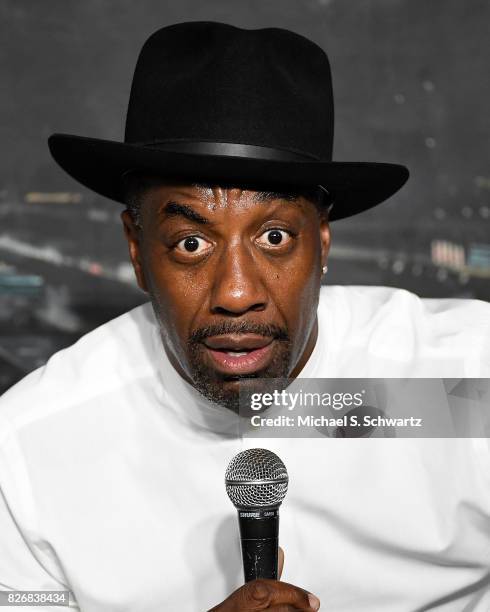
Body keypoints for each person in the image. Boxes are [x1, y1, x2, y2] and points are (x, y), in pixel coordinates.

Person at [0, 21, 489, 612]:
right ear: (135, 246)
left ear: (323, 241)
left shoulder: (459, 384)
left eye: (275, 235)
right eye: (191, 244)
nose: (236, 293)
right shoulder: (30, 446)